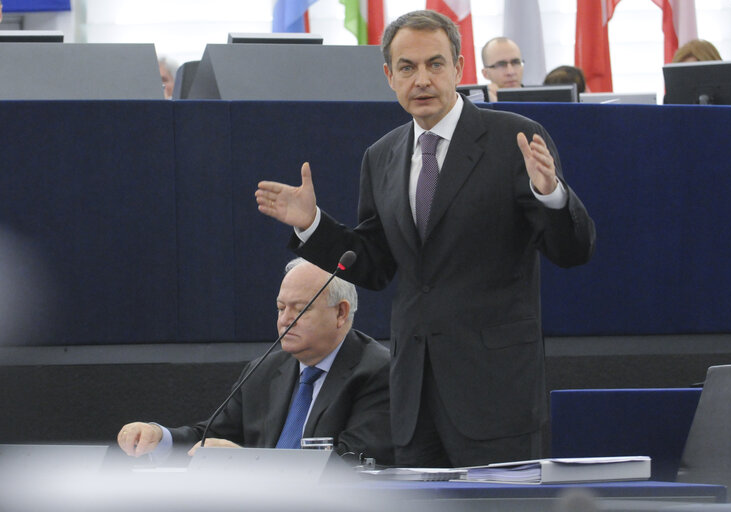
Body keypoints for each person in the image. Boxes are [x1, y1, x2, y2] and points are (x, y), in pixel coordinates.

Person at [255, 10, 595, 468]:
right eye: (407, 67)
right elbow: (373, 264)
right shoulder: (382, 156)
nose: (422, 79)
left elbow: (572, 251)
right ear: (388, 76)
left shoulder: (514, 139)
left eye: (435, 64)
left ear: (458, 68)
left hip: (495, 393)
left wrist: (551, 195)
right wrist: (313, 224)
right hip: (413, 397)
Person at [117, 258, 393, 465]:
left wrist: (248, 464)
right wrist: (159, 438)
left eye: (300, 309)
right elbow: (211, 437)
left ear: (341, 313)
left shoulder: (377, 371)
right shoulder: (264, 370)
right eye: (280, 308)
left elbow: (350, 461)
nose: (285, 320)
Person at [480, 36, 525, 101]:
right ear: (485, 74)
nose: (511, 72)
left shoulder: (541, 101)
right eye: (501, 65)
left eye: (515, 62)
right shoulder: (478, 107)